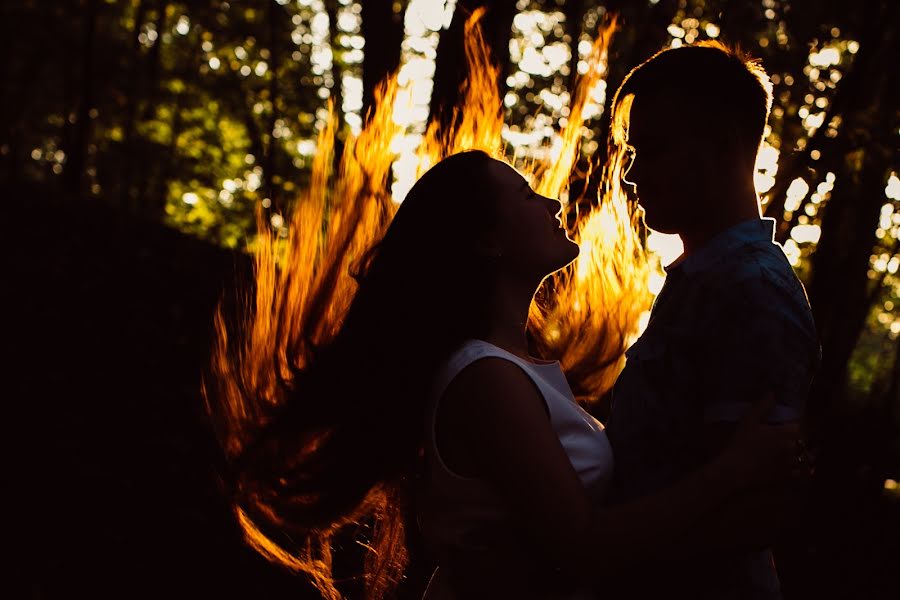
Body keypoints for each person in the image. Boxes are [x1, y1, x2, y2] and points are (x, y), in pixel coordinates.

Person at [209, 148, 807, 600]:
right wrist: (733, 471)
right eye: (525, 196)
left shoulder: (520, 369)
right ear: (489, 241)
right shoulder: (485, 381)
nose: (549, 203)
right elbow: (584, 548)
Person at [603, 42, 821, 599]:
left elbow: (757, 509)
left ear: (721, 148)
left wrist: (591, 547)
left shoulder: (750, 290)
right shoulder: (705, 281)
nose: (631, 175)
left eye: (651, 150)